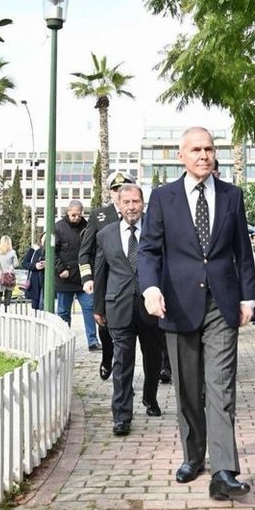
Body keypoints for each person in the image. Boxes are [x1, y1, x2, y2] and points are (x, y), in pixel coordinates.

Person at [137, 126, 255, 501]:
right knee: (188, 389)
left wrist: (248, 298)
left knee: (220, 387)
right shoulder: (162, 198)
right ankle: (194, 455)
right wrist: (151, 289)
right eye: (196, 150)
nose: (204, 155)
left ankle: (224, 470)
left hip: (222, 304)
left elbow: (242, 250)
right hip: (177, 304)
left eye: (209, 149)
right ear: (181, 156)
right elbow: (149, 250)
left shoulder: (232, 195)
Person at [93, 184, 164, 435]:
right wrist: (98, 307)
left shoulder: (156, 232)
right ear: (119, 205)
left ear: (143, 203)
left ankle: (150, 397)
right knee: (122, 363)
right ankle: (122, 415)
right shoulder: (106, 234)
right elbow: (100, 272)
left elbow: (165, 267)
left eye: (136, 201)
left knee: (153, 357)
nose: (132, 207)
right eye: (127, 202)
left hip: (151, 307)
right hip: (118, 306)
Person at [79, 171, 141, 378]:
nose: (118, 193)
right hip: (103, 277)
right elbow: (85, 251)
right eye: (115, 189)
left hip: (130, 279)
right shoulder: (100, 215)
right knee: (105, 327)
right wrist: (88, 278)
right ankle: (107, 358)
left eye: (122, 188)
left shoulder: (137, 213)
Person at [55, 200, 98, 350]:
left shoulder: (87, 226)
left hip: (82, 278)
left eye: (79, 215)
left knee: (89, 308)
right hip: (64, 279)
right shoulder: (58, 227)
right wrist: (60, 269)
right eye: (73, 215)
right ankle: (63, 341)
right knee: (63, 312)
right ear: (68, 212)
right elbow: (51, 252)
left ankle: (92, 341)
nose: (76, 218)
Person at [0, 235, 18, 310]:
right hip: (9, 277)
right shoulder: (12, 252)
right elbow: (16, 264)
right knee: (7, 297)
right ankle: (6, 313)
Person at [22, 233, 46, 311]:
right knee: (36, 305)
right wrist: (35, 266)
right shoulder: (34, 249)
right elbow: (25, 263)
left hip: (46, 281)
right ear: (41, 239)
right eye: (44, 238)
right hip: (35, 282)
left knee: (43, 305)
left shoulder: (54, 249)